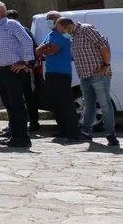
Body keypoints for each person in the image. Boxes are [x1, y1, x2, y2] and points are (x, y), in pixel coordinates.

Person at [56, 16, 118, 147]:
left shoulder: (86, 29)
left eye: (62, 31)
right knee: (88, 105)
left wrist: (106, 65)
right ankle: (86, 133)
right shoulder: (74, 37)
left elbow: (104, 45)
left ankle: (110, 135)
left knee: (105, 104)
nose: (62, 34)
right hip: (85, 76)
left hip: (99, 74)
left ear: (68, 26)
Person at [0, 0, 35, 148]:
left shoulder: (12, 24)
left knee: (17, 104)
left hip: (13, 70)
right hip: (1, 71)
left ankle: (22, 137)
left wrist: (27, 63)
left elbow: (27, 41)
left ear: (2, 10)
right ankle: (14, 135)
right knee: (9, 105)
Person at [36, 11, 79, 140]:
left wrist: (45, 49)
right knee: (56, 103)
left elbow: (53, 50)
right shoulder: (50, 35)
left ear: (58, 20)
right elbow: (38, 51)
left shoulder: (63, 35)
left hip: (62, 73)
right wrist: (46, 47)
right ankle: (62, 129)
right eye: (47, 18)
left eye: (51, 18)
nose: (48, 21)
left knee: (66, 103)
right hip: (50, 73)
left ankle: (72, 132)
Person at [7, 9, 41, 131]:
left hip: (23, 70)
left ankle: (33, 122)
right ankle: (19, 124)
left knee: (27, 96)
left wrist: (27, 65)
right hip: (13, 69)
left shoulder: (24, 31)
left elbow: (33, 49)